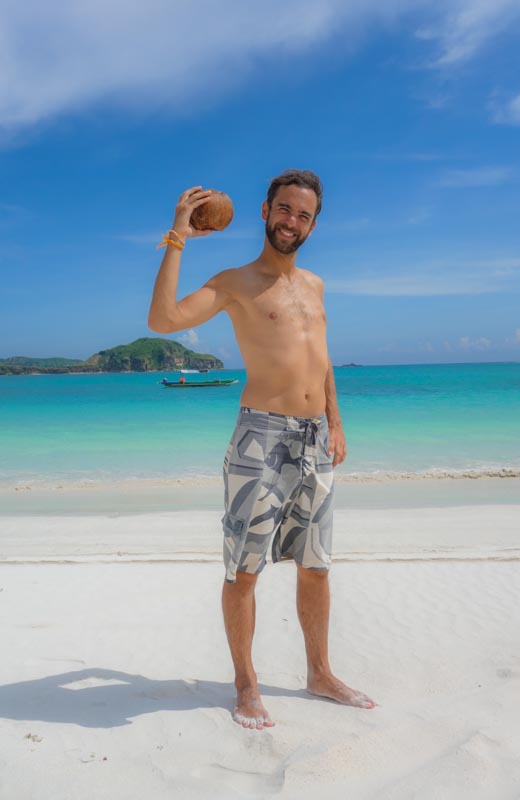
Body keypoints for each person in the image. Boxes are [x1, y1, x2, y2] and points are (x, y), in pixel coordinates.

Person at [148, 169, 376, 730]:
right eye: (283, 210)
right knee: (244, 570)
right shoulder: (236, 282)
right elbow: (163, 319)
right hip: (261, 437)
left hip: (314, 440)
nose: (291, 222)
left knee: (316, 567)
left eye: (302, 215)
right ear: (264, 210)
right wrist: (177, 234)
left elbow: (321, 359)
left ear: (313, 224)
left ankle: (319, 673)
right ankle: (246, 686)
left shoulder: (316, 286)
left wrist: (336, 423)